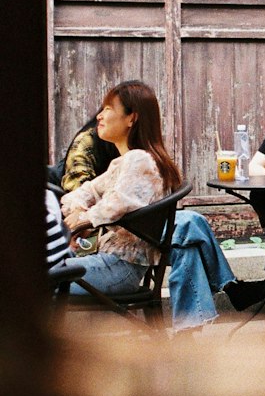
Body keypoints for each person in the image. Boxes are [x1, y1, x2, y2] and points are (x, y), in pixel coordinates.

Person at [60, 81, 184, 300]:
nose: (99, 116)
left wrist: (83, 219)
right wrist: (78, 210)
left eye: (108, 109)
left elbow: (117, 205)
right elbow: (82, 192)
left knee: (30, 281)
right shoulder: (123, 162)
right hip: (108, 264)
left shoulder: (140, 160)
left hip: (117, 269)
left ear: (131, 118)